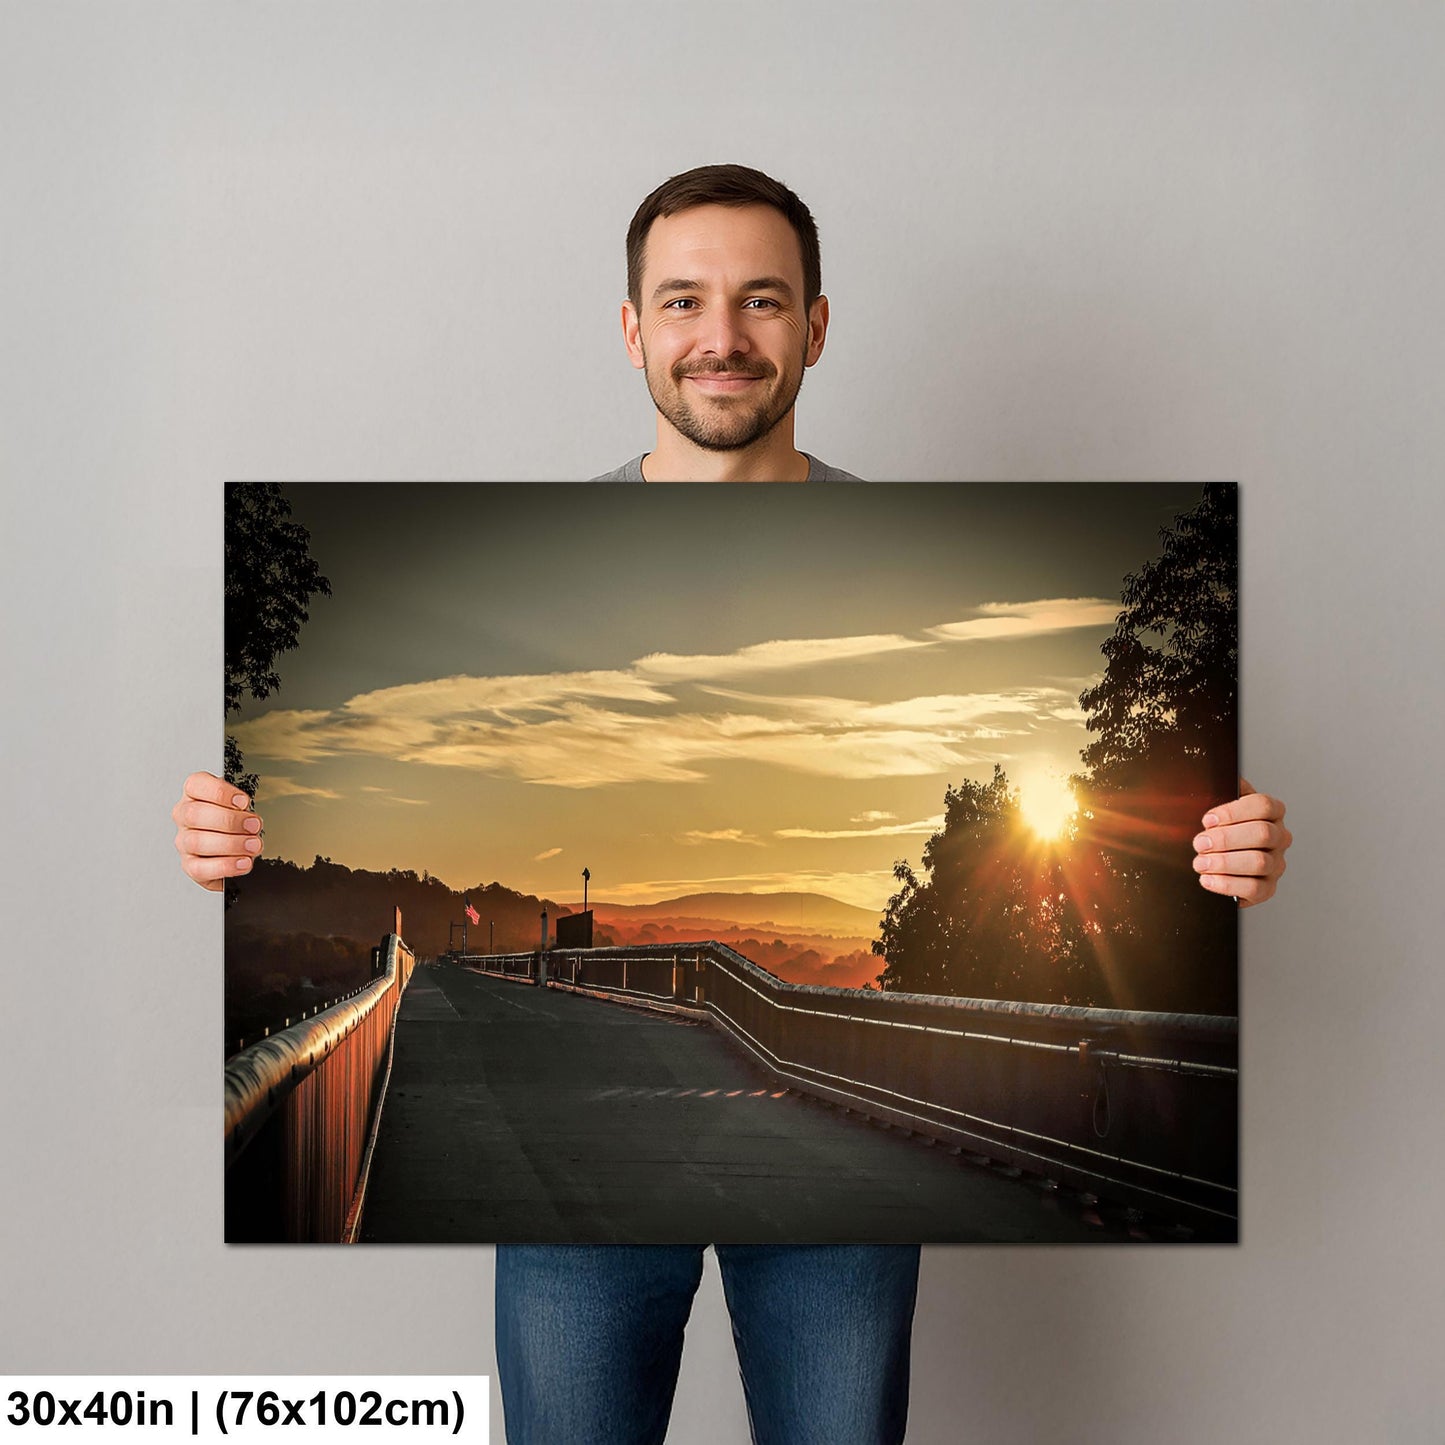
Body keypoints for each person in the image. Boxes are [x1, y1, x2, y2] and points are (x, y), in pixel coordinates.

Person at [175, 165, 1293, 1445]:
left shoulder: (910, 545)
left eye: (760, 300)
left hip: (834, 1222)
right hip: (574, 1206)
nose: (721, 335)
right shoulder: (545, 542)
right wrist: (230, 842)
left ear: (814, 325)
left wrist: (1220, 847)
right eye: (683, 300)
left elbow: (1109, 804)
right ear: (631, 327)